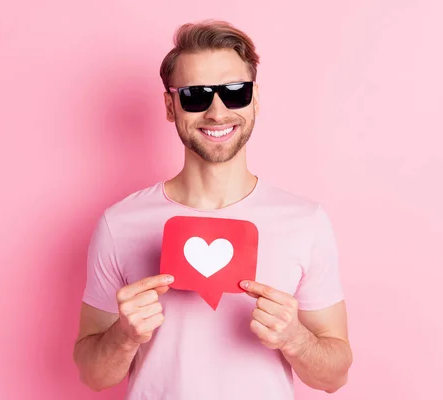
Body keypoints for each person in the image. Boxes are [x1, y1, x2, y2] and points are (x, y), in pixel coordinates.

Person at [73, 19, 352, 400]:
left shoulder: (305, 222)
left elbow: (334, 376)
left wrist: (296, 339)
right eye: (195, 96)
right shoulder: (119, 224)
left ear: (254, 99)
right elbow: (93, 376)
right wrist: (124, 336)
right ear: (171, 106)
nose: (217, 112)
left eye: (234, 92)